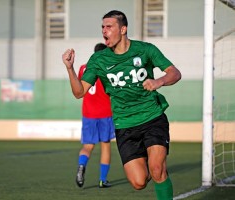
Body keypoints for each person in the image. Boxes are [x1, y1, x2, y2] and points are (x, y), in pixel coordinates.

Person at [62, 10, 181, 199]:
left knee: (157, 169)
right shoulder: (98, 60)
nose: (104, 31)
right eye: (102, 27)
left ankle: (159, 173)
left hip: (152, 117)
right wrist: (70, 68)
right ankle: (155, 171)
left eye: (109, 27)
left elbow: (175, 73)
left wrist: (158, 81)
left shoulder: (145, 50)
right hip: (124, 125)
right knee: (139, 182)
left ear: (123, 29)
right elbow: (79, 92)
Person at [76, 43, 115, 188]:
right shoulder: (108, 68)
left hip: (88, 113)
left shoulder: (83, 68)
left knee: (87, 146)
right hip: (105, 112)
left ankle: (81, 165)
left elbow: (81, 86)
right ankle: (102, 180)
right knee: (105, 146)